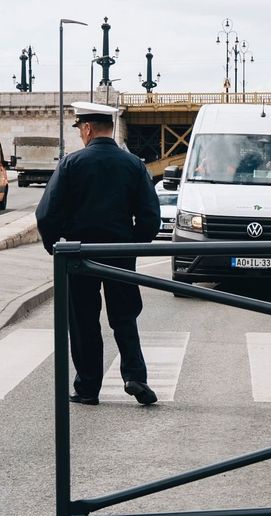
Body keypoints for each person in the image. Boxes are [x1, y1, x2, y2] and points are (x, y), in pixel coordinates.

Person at [37, 101, 161, 406]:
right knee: (124, 317)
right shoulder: (134, 165)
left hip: (80, 254)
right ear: (111, 129)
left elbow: (46, 214)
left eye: (80, 129)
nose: (81, 134)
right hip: (119, 252)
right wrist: (132, 243)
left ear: (88, 128)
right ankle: (135, 376)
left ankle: (88, 388)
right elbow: (150, 217)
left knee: (84, 322)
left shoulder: (71, 164)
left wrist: (55, 247)